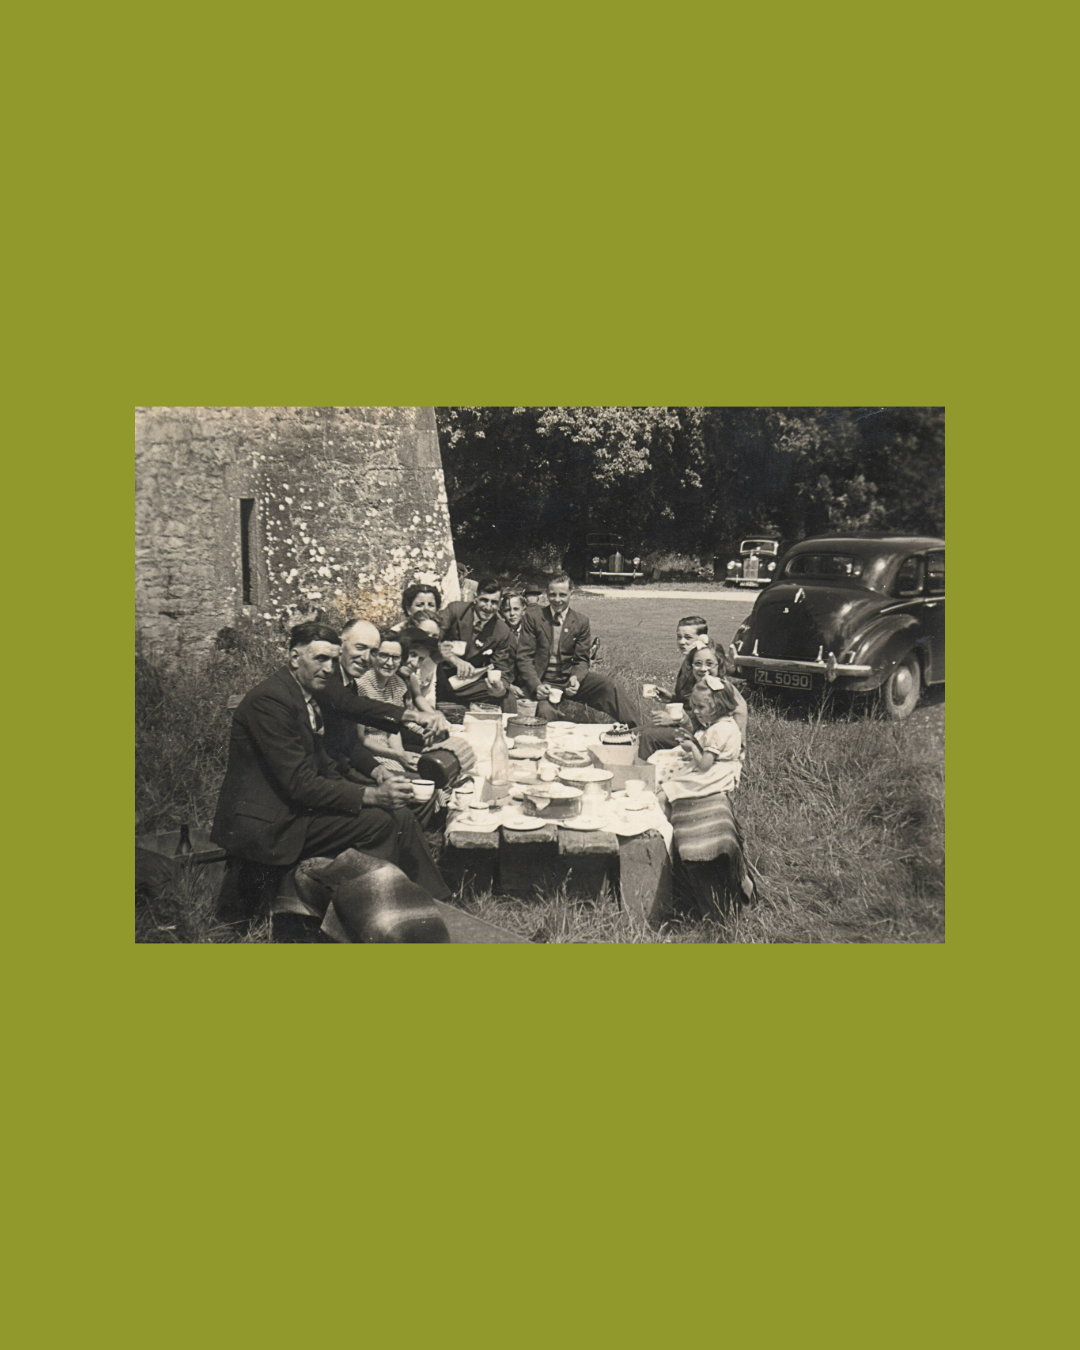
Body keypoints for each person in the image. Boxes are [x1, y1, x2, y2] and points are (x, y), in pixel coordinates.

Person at [210, 623, 450, 934]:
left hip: (290, 809)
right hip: (268, 824)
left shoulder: (303, 694)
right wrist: (372, 795)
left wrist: (376, 778)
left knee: (385, 818)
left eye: (332, 661)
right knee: (380, 820)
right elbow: (300, 783)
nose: (328, 669)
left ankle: (398, 908)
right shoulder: (271, 701)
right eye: (320, 659)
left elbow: (326, 758)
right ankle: (359, 917)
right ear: (294, 657)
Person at [516, 574, 637, 724]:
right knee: (545, 713)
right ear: (547, 594)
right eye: (552, 595)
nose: (557, 600)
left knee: (609, 687)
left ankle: (638, 732)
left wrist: (576, 678)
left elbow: (582, 660)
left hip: (568, 679)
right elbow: (524, 658)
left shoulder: (581, 621)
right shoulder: (533, 618)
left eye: (563, 595)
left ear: (571, 594)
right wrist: (536, 686)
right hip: (543, 681)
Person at [637, 616, 748, 759]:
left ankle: (644, 772)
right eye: (679, 637)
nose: (682, 642)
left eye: (688, 638)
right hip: (691, 725)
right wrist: (671, 698)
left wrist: (741, 745)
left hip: (705, 736)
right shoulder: (690, 668)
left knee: (648, 736)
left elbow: (737, 710)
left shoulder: (718, 686)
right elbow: (692, 704)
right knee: (638, 732)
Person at [657, 645, 745, 803]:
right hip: (715, 766)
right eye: (698, 663)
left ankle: (661, 814)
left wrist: (692, 746)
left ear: (718, 706)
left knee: (669, 789)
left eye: (700, 707)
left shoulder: (719, 729)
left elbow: (705, 765)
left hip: (715, 774)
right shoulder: (718, 721)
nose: (695, 711)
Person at [436, 577, 517, 709]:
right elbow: (431, 639)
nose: (488, 607)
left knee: (507, 697)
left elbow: (502, 668)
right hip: (440, 677)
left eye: (494, 602)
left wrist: (499, 687)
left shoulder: (502, 631)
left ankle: (510, 728)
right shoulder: (455, 611)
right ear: (475, 597)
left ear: (500, 603)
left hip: (467, 686)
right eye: (484, 600)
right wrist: (455, 660)